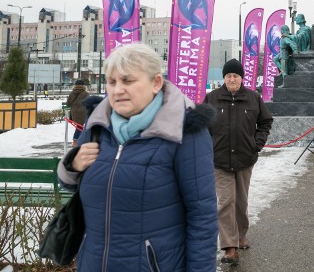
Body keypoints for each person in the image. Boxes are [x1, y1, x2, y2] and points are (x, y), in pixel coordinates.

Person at [56, 43, 218, 271]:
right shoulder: (97, 125)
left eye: (128, 81)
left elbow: (202, 216)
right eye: (112, 82)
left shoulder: (184, 131)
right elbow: (71, 184)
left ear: (156, 83)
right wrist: (71, 165)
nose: (117, 90)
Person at [204, 58, 273, 265]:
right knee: (225, 202)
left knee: (241, 203)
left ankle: (241, 235)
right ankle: (229, 247)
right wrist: (209, 147)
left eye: (235, 76)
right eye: (228, 76)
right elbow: (202, 126)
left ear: (241, 78)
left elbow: (265, 122)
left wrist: (256, 144)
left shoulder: (253, 98)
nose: (232, 79)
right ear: (223, 78)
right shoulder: (211, 99)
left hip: (245, 158)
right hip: (220, 160)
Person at [66, 79, 90, 147]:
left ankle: (77, 140)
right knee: (81, 126)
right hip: (83, 112)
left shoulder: (72, 93)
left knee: (79, 126)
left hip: (74, 113)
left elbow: (68, 103)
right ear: (83, 86)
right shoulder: (86, 93)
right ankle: (76, 140)